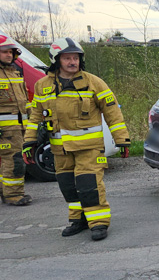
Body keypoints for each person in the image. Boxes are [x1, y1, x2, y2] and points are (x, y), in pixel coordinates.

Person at [22, 38, 131, 241]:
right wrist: (29, 142)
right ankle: (78, 219)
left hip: (89, 148)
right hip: (60, 150)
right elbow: (35, 117)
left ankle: (98, 222)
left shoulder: (93, 82)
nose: (73, 62)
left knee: (89, 184)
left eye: (76, 58)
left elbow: (112, 112)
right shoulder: (42, 86)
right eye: (67, 58)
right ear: (56, 60)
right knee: (68, 186)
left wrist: (122, 139)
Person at [0, 35, 32, 206]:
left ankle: (5, 190)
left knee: (8, 159)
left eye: (11, 52)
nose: (9, 55)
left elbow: (23, 102)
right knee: (14, 159)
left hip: (19, 127)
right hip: (5, 129)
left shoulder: (14, 73)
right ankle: (13, 194)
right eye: (4, 52)